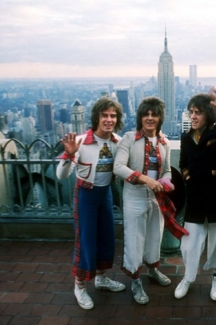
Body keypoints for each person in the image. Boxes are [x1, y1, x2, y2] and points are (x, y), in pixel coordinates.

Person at [56, 97, 126, 310]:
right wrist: (68, 155)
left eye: (113, 115)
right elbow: (61, 175)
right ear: (96, 117)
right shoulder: (80, 141)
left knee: (106, 236)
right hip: (85, 195)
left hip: (105, 194)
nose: (108, 119)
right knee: (85, 240)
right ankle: (79, 286)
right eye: (104, 115)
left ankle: (102, 278)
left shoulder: (117, 142)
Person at [174, 87, 216, 301]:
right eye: (191, 112)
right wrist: (188, 176)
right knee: (189, 243)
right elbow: (183, 163)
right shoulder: (185, 137)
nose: (193, 116)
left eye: (198, 112)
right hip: (196, 199)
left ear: (207, 114)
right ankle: (188, 277)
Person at [113, 96, 174, 305]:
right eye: (146, 114)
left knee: (154, 236)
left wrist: (165, 182)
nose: (150, 118)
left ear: (160, 118)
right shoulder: (129, 139)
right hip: (134, 197)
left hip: (156, 198)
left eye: (154, 114)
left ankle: (152, 269)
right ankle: (135, 280)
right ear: (140, 117)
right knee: (134, 239)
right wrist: (145, 179)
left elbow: (166, 170)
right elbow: (118, 166)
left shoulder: (164, 142)